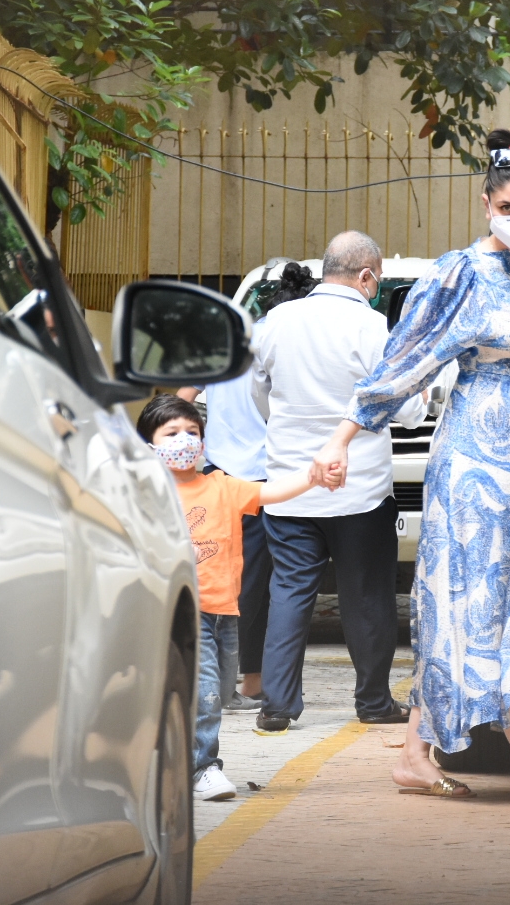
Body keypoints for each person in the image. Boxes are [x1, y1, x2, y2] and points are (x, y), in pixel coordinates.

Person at [310, 129, 510, 806]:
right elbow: (403, 362)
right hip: (473, 452)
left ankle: (415, 752)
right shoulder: (461, 273)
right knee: (499, 600)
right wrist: (341, 439)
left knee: (472, 603)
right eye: (507, 208)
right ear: (485, 204)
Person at [251, 232, 428, 735]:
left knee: (288, 591)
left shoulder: (274, 322)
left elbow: (259, 394)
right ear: (367, 276)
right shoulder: (374, 328)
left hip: (289, 484)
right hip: (360, 491)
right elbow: (408, 408)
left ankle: (277, 706)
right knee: (366, 595)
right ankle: (373, 702)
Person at [135, 393, 318, 801]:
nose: (185, 439)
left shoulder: (222, 486)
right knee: (207, 694)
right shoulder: (144, 494)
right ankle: (203, 768)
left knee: (210, 695)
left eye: (193, 432)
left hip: (224, 613)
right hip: (179, 611)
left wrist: (314, 477)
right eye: (172, 433)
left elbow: (270, 493)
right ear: (149, 446)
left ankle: (172, 764)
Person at [178, 261, 318, 712]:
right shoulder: (294, 349)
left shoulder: (229, 345)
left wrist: (181, 446)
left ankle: (230, 680)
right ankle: (246, 682)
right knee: (257, 589)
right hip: (265, 481)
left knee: (226, 582)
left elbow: (180, 397)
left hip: (217, 477)